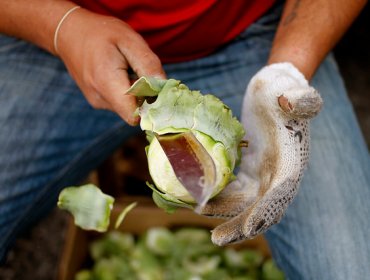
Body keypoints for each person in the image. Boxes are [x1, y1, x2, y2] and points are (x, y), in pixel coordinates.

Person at [0, 0, 369, 278]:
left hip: (253, 37)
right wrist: (62, 28)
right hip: (61, 33)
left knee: (350, 267)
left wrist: (286, 73)